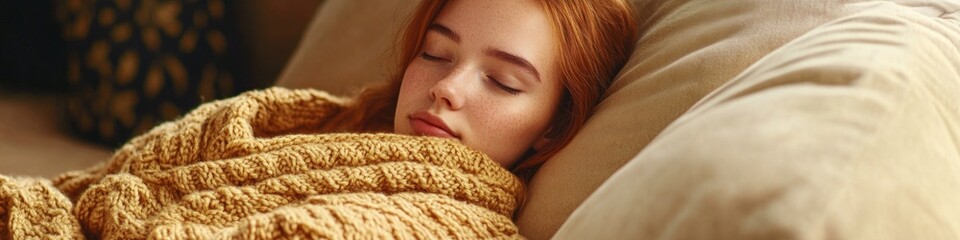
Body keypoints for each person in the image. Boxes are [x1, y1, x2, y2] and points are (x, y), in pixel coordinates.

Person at [328, 0, 639, 178]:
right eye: (434, 53)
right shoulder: (327, 122)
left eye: (503, 82)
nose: (446, 88)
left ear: (555, 126)